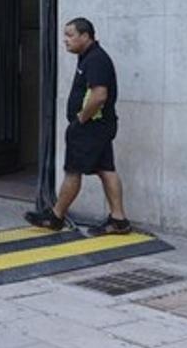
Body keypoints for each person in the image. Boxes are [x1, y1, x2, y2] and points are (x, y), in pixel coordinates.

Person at [26, 18, 131, 235]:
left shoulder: (95, 60)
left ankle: (56, 217)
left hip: (90, 127)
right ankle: (119, 219)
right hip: (98, 126)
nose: (65, 40)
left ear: (86, 36)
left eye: (70, 35)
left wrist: (81, 119)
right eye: (65, 35)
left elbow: (99, 95)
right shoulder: (89, 57)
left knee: (73, 171)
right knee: (106, 169)